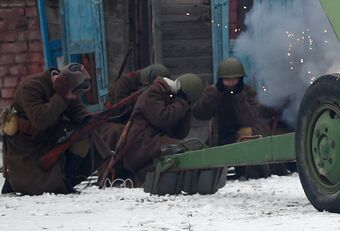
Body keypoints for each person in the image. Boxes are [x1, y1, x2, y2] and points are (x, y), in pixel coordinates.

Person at [2, 64, 117, 194]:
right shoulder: (31, 87)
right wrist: (61, 97)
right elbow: (41, 120)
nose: (75, 97)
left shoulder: (66, 89)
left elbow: (77, 111)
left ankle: (67, 180)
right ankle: (14, 183)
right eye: (74, 93)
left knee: (84, 135)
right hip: (26, 146)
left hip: (49, 138)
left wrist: (91, 120)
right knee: (29, 181)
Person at [116, 73, 207, 184]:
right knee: (177, 148)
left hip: (154, 140)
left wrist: (186, 111)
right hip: (142, 142)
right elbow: (162, 118)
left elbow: (180, 133)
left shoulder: (172, 98)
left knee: (183, 147)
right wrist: (181, 103)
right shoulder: (154, 93)